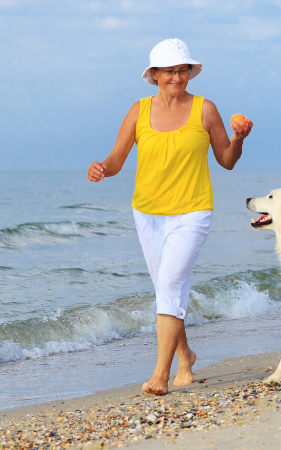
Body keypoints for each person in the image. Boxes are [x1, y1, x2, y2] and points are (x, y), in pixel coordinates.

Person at [87, 38, 252, 395]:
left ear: (189, 73)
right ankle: (185, 356)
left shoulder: (205, 110)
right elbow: (117, 159)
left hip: (192, 211)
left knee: (171, 285)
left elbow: (226, 159)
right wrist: (101, 168)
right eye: (169, 71)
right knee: (166, 289)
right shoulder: (138, 111)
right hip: (146, 212)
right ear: (155, 75)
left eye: (182, 70)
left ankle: (160, 376)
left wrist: (238, 140)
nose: (176, 77)